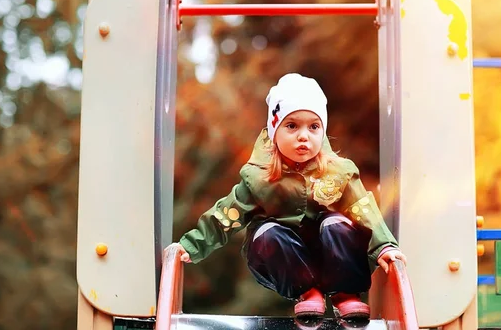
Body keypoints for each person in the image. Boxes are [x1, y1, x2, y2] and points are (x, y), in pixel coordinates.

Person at [169, 73, 406, 319]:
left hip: (333, 257)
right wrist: (192, 245)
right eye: (292, 126)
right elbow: (228, 214)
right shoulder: (260, 178)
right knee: (267, 232)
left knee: (335, 223)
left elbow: (363, 209)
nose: (304, 136)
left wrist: (384, 246)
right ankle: (309, 293)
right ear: (274, 130)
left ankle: (346, 294)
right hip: (286, 261)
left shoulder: (339, 172)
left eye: (313, 127)